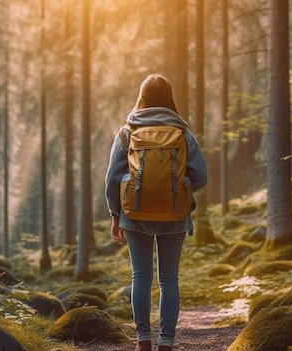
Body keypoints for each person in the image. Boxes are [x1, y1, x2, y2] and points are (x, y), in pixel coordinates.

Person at [104, 73, 208, 351]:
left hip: (134, 215)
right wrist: (179, 188)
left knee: (140, 276)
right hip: (174, 216)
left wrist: (115, 217)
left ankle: (143, 341)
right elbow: (201, 177)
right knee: (169, 279)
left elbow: (113, 179)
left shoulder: (127, 131)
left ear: (143, 97)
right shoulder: (183, 133)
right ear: (169, 97)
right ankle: (166, 341)